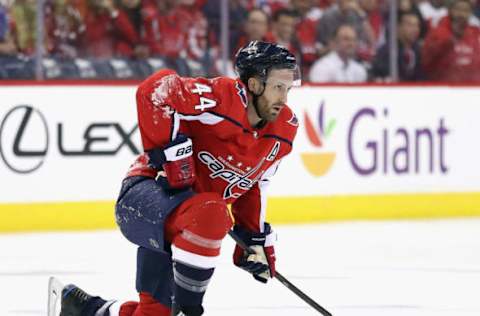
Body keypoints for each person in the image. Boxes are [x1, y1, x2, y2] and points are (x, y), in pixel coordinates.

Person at [49, 40, 300, 316]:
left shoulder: (283, 130)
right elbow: (155, 90)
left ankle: (85, 308)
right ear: (254, 84)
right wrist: (171, 153)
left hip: (191, 222)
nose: (284, 99)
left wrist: (254, 238)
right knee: (213, 213)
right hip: (148, 196)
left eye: (288, 89)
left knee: (155, 313)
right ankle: (188, 310)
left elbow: (256, 183)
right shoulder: (221, 98)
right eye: (278, 87)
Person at [371, 11, 424, 81]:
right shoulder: (386, 52)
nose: (415, 29)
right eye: (410, 25)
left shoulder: (419, 51)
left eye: (417, 25)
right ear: (398, 27)